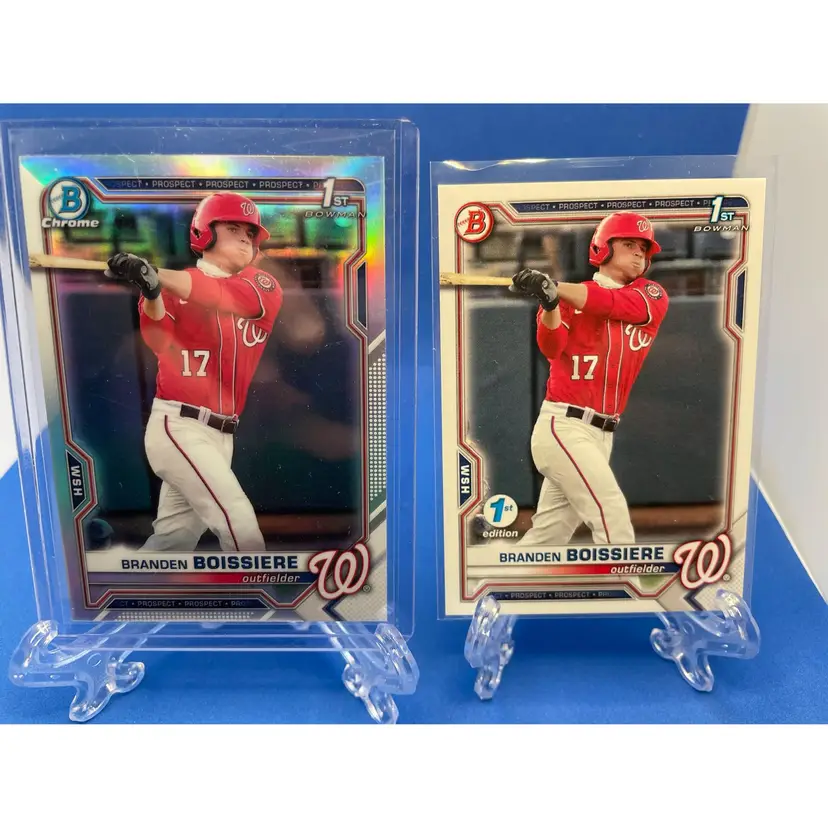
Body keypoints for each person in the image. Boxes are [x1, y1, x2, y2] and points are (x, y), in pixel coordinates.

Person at [104, 192, 283, 553]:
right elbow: (157, 339)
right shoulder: (170, 287)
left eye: (250, 233)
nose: (246, 238)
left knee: (174, 541)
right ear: (205, 233)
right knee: (238, 520)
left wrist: (157, 276)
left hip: (222, 435)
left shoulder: (262, 285)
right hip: (178, 426)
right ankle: (259, 588)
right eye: (234, 228)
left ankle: (134, 585)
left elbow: (216, 294)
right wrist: (152, 291)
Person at [510, 211, 669, 547]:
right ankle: (625, 581)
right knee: (611, 515)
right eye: (629, 244)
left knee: (547, 538)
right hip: (564, 427)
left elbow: (609, 302)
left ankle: (506, 578)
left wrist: (555, 289)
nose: (639, 252)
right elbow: (551, 347)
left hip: (601, 434)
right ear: (603, 247)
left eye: (643, 247)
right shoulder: (568, 298)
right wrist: (550, 304)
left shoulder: (652, 294)